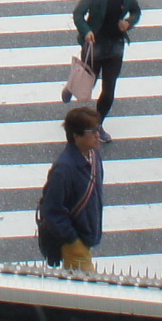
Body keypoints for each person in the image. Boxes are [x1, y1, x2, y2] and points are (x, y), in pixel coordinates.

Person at [36, 104, 105, 271]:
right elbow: (51, 210)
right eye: (92, 132)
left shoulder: (93, 155)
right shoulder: (64, 169)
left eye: (98, 129)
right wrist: (73, 239)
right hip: (75, 243)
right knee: (85, 289)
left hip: (86, 234)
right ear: (76, 136)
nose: (98, 135)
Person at [73, 0, 141, 121]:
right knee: (87, 82)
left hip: (116, 44)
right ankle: (71, 88)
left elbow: (135, 11)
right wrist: (86, 31)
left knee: (109, 88)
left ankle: (98, 123)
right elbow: (78, 14)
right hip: (95, 44)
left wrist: (129, 22)